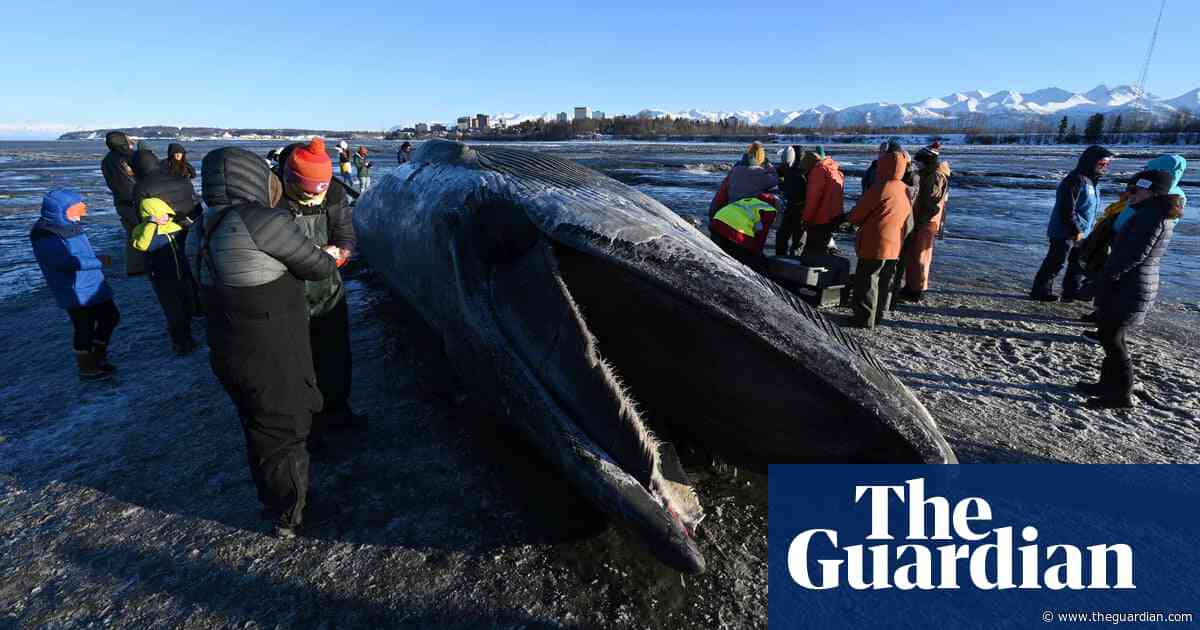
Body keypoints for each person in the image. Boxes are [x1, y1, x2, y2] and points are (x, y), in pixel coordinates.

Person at [188, 147, 339, 537]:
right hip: (270, 346)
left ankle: (276, 500)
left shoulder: (201, 226)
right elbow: (317, 267)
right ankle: (291, 514)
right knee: (283, 430)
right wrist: (330, 253)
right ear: (252, 178)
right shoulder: (262, 220)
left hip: (227, 344)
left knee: (257, 424)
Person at [276, 138, 365, 441]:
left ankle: (339, 411)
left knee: (335, 354)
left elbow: (345, 233)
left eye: (321, 191)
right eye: (305, 192)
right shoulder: (271, 196)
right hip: (288, 291)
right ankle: (308, 427)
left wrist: (342, 253)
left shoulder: (336, 192)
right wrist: (312, 258)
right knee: (298, 362)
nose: (314, 198)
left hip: (328, 286)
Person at [1079, 170, 1182, 409]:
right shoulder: (1151, 213)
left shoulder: (1152, 216)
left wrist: (1101, 281)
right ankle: (1108, 385)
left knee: (1112, 338)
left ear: (1153, 191)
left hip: (1130, 287)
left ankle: (1121, 394)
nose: (1129, 194)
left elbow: (1132, 256)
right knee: (1110, 334)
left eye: (1135, 189)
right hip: (1129, 285)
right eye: (1129, 188)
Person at [30, 189, 120, 381]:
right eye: (78, 206)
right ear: (63, 209)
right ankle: (87, 368)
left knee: (110, 317)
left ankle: (98, 356)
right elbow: (61, 262)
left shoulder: (70, 224)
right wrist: (98, 262)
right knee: (84, 327)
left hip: (91, 283)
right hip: (73, 289)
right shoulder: (46, 234)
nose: (84, 209)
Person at [131, 148, 202, 354]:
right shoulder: (181, 178)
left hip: (162, 240)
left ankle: (182, 340)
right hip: (188, 232)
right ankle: (198, 312)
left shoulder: (141, 187)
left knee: (170, 293)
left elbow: (142, 220)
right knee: (191, 278)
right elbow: (195, 204)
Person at [1030, 145, 1114, 302]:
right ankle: (1040, 290)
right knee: (1056, 261)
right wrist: (1075, 230)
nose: (1105, 167)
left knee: (1078, 263)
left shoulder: (1093, 182)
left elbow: (1089, 208)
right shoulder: (1075, 180)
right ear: (1091, 162)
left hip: (1084, 230)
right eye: (1102, 164)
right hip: (1065, 230)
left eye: (1107, 164)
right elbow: (1066, 208)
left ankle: (1070, 292)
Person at [842, 150, 912, 329]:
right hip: (895, 244)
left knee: (866, 281)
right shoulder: (904, 189)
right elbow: (909, 220)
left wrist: (848, 219)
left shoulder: (881, 187)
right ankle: (878, 316)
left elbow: (858, 214)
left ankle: (864, 319)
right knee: (883, 282)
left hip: (876, 242)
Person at [709, 142, 779, 273]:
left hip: (724, 214)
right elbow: (774, 178)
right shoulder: (761, 175)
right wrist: (768, 165)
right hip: (740, 221)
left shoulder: (736, 170)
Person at [895, 144, 951, 302]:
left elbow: (931, 203)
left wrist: (920, 221)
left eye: (919, 162)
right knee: (913, 254)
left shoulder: (936, 176)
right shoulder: (927, 174)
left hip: (926, 222)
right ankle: (912, 285)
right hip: (921, 220)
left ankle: (918, 289)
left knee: (921, 255)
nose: (916, 164)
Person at [797, 146, 849, 280]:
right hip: (833, 216)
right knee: (821, 249)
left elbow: (813, 199)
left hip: (821, 218)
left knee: (812, 253)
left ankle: (813, 281)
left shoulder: (818, 171)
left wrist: (805, 219)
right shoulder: (834, 170)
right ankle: (825, 278)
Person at [100, 131, 146, 276]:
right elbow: (146, 172)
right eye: (127, 138)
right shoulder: (129, 156)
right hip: (137, 199)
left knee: (131, 233)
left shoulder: (106, 160)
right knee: (146, 231)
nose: (130, 140)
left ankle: (135, 267)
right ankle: (150, 264)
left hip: (120, 201)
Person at [774, 145, 808, 256]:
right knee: (785, 237)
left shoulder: (804, 172)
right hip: (794, 207)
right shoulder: (793, 169)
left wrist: (781, 182)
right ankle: (784, 260)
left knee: (794, 240)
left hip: (801, 209)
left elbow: (788, 187)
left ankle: (790, 263)